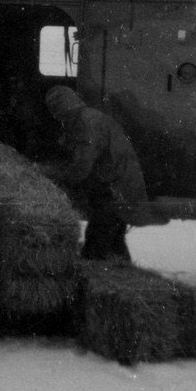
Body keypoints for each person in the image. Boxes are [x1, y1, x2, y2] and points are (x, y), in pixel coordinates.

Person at [42, 85, 148, 262]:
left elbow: (82, 167)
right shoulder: (88, 118)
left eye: (57, 113)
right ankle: (122, 277)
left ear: (60, 110)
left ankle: (102, 278)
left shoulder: (85, 124)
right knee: (113, 242)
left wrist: (52, 175)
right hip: (123, 186)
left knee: (96, 245)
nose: (57, 118)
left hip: (114, 190)